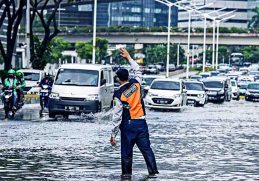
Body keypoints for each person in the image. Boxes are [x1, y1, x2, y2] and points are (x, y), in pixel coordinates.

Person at [110, 48, 159, 179]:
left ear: (119, 79)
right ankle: (154, 173)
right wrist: (128, 58)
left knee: (126, 154)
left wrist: (113, 134)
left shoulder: (118, 94)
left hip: (127, 126)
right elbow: (137, 69)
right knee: (147, 150)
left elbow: (117, 116)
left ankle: (126, 176)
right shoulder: (136, 84)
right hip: (141, 123)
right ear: (128, 76)